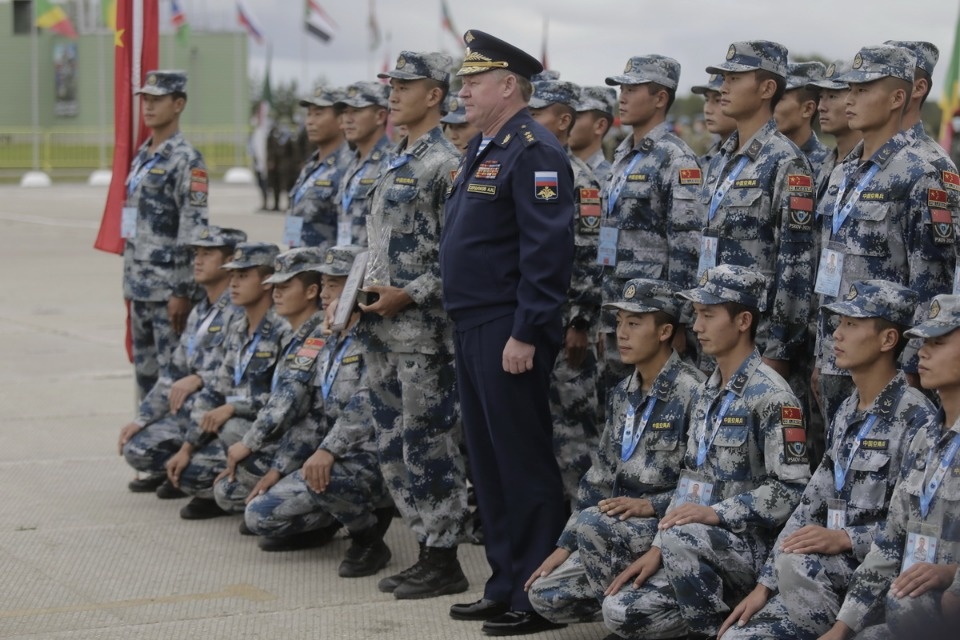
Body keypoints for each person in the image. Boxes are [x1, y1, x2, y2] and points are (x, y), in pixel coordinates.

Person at [440, 29, 574, 636]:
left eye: (473, 81)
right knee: (488, 462)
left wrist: (526, 330)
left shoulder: (534, 149)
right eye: (464, 81)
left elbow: (547, 252)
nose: (463, 90)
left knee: (520, 459)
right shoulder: (485, 146)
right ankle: (503, 580)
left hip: (506, 327)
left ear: (508, 86)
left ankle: (536, 591)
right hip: (473, 322)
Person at [600, 265, 811, 640]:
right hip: (697, 543)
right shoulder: (707, 392)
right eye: (696, 315)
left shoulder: (772, 396)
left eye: (708, 315)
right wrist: (658, 545)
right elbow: (689, 480)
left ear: (743, 320)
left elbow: (792, 490)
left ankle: (714, 630)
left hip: (750, 546)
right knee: (620, 611)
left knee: (684, 539)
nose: (696, 327)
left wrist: (715, 514)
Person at [719, 280, 936, 640]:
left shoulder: (918, 418)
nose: (837, 334)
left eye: (852, 324)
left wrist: (846, 538)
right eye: (838, 323)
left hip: (879, 580)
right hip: (824, 574)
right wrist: (764, 586)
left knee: (796, 561)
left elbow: (914, 531)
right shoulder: (848, 410)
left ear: (887, 340)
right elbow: (809, 506)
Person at [356, 50, 471, 600]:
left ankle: (443, 555)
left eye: (406, 85)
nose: (394, 94)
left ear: (435, 95)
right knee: (392, 444)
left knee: (429, 442)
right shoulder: (392, 159)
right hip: (378, 328)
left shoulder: (446, 165)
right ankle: (424, 542)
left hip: (424, 335)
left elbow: (463, 257)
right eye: (391, 84)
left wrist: (411, 293)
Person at [525, 279, 704, 629]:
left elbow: (704, 485)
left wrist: (653, 505)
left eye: (634, 324)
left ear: (665, 331)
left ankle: (645, 620)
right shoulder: (623, 393)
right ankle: (628, 611)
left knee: (595, 527)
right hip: (617, 529)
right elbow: (600, 478)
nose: (621, 333)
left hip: (667, 529)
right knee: (544, 594)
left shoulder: (694, 392)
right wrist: (564, 545)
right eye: (619, 321)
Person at [813, 45, 956, 428]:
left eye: (863, 90)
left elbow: (932, 284)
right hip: (836, 356)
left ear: (897, 98)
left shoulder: (922, 171)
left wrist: (911, 371)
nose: (850, 100)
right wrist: (821, 355)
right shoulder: (845, 170)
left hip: (888, 368)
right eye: (850, 90)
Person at [244, 245, 394, 576]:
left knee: (326, 479)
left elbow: (368, 402)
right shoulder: (330, 337)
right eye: (323, 284)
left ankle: (369, 537)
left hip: (378, 457)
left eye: (335, 285)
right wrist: (280, 467)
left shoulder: (379, 336)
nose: (325, 295)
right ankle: (331, 520)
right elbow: (315, 414)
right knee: (259, 515)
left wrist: (328, 450)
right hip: (333, 456)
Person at [818, 293, 960, 640]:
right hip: (911, 604)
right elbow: (889, 542)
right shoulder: (926, 438)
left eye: (938, 343)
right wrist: (841, 628)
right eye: (923, 343)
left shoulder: (915, 420)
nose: (922, 353)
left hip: (940, 606)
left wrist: (952, 576)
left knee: (907, 601)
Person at [699, 41, 816, 389]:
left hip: (758, 340)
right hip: (713, 332)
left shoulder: (786, 162)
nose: (723, 87)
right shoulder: (720, 157)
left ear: (766, 89)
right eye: (723, 78)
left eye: (734, 79)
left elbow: (795, 263)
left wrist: (779, 349)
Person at [211, 247, 331, 539]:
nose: (276, 293)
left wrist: (251, 445)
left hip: (318, 447)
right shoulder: (294, 335)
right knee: (227, 490)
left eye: (286, 286)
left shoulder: (316, 338)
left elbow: (290, 404)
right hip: (294, 441)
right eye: (275, 286)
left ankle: (327, 520)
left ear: (311, 291)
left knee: (258, 513)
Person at [598, 54, 703, 385]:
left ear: (660, 98)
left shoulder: (676, 159)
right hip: (618, 309)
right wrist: (605, 319)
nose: (623, 96)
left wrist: (680, 321)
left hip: (653, 318)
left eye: (633, 88)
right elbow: (609, 235)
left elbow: (686, 247)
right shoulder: (622, 155)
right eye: (621, 88)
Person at [119, 226, 247, 497]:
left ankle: (194, 471)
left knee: (188, 408)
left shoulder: (241, 310)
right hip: (192, 412)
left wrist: (199, 378)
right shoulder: (200, 310)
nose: (197, 261)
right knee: (137, 449)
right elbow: (171, 374)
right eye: (195, 254)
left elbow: (238, 373)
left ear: (229, 261)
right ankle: (178, 469)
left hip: (222, 414)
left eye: (207, 254)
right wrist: (141, 419)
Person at [164, 242, 288, 520]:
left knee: (230, 426)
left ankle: (273, 491)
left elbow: (285, 400)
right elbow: (216, 390)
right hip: (239, 432)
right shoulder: (238, 328)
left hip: (272, 433)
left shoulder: (283, 330)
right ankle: (245, 486)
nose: (233, 284)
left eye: (243, 276)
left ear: (268, 282)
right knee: (189, 473)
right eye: (232, 276)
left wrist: (234, 408)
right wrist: (188, 447)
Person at [528, 76, 604, 505]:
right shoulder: (534, 167)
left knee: (573, 431)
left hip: (567, 325)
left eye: (536, 114)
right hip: (536, 321)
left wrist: (580, 321)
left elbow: (591, 254)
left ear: (562, 120)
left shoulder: (581, 178)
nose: (528, 122)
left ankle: (584, 523)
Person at [123, 70, 208, 401]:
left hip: (167, 290)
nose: (148, 106)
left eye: (157, 99)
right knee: (144, 376)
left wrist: (183, 289)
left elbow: (193, 227)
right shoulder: (142, 155)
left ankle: (173, 446)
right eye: (146, 98)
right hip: (139, 285)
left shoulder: (187, 159)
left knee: (172, 373)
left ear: (178, 104)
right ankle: (145, 438)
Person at [284, 87, 348, 250]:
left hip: (325, 268)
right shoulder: (311, 166)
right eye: (309, 114)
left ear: (341, 119)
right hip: (299, 266)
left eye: (318, 114)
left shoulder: (348, 166)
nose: (309, 121)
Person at [335, 82, 391, 247]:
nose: (347, 119)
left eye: (357, 111)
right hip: (344, 266)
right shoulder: (352, 163)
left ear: (380, 116)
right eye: (345, 112)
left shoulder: (391, 163)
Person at [808, 61, 861, 199]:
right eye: (821, 97)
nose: (821, 107)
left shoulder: (868, 166)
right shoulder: (821, 164)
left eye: (832, 97)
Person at [775, 62, 831, 182]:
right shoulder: (758, 157)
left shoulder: (828, 166)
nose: (769, 106)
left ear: (807, 109)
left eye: (778, 99)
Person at [569, 86, 617, 185]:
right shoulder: (555, 169)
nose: (566, 123)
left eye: (575, 117)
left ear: (600, 126)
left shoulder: (611, 180)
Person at [690, 73, 737, 167]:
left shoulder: (752, 157)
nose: (707, 110)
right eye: (706, 100)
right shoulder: (709, 158)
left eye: (718, 100)